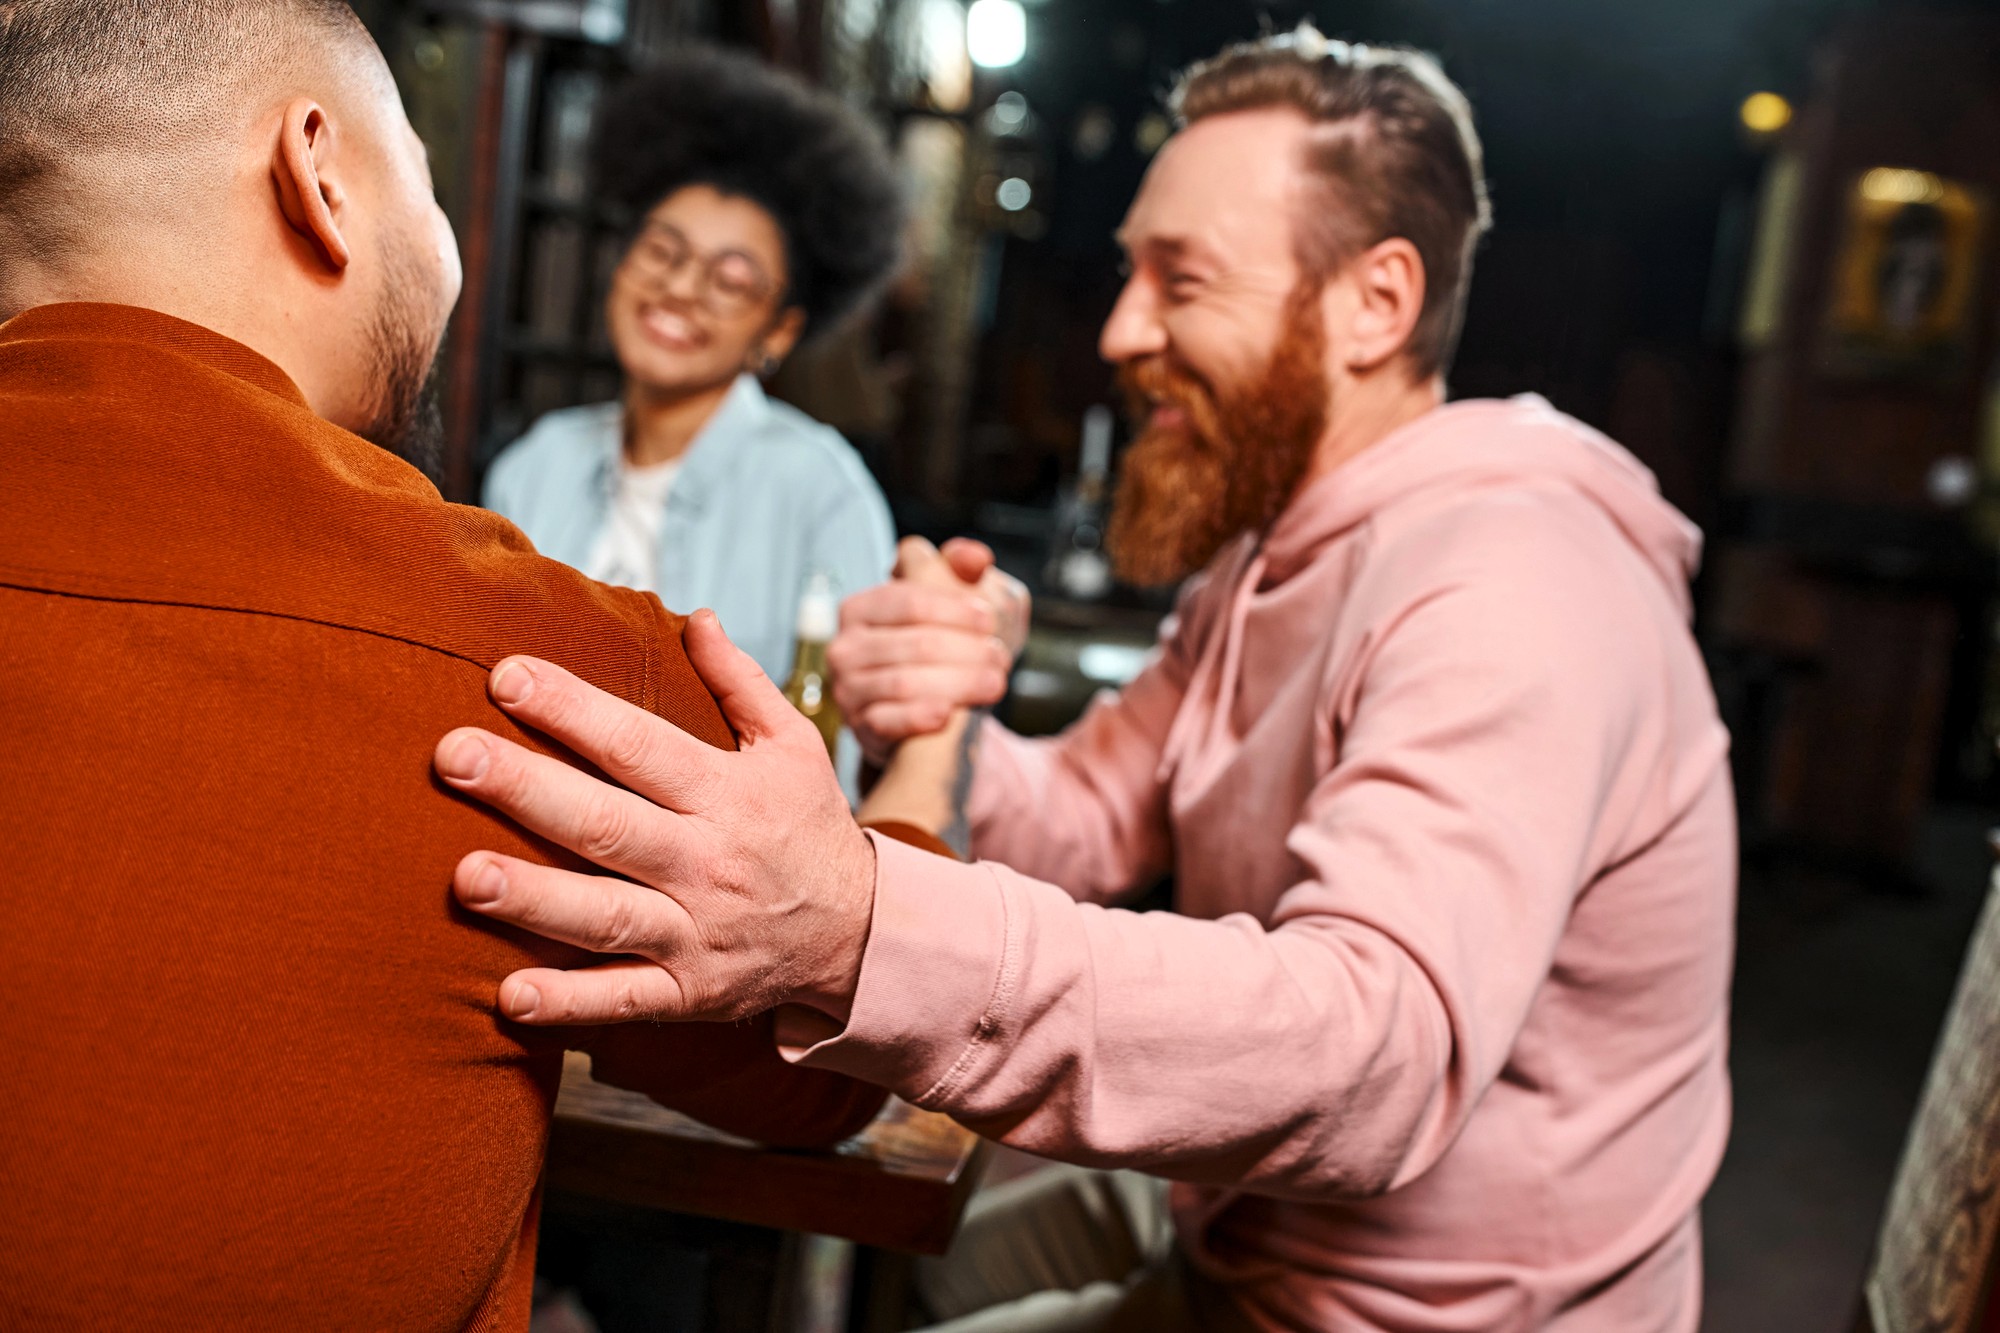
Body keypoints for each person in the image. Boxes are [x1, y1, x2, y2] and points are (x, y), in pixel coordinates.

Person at [422, 27, 1735, 1333]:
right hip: (1235, 1238)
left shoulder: (1514, 579)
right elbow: (1091, 817)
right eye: (1129, 274)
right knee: (918, 1265)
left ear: (1375, 304)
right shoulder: (1270, 561)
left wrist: (857, 921)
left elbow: (1373, 1053)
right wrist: (948, 696)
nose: (1118, 328)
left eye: (1183, 280)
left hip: (1442, 1313)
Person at [0, 4, 936, 1326]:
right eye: (426, 181)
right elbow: (828, 1054)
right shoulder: (551, 642)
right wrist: (939, 751)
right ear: (318, 175)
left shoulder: (811, 483)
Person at [483, 45, 902, 685]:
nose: (679, 289)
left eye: (731, 281)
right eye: (661, 250)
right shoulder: (535, 468)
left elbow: (842, 743)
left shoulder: (823, 494)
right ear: (621, 265)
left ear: (780, 331)